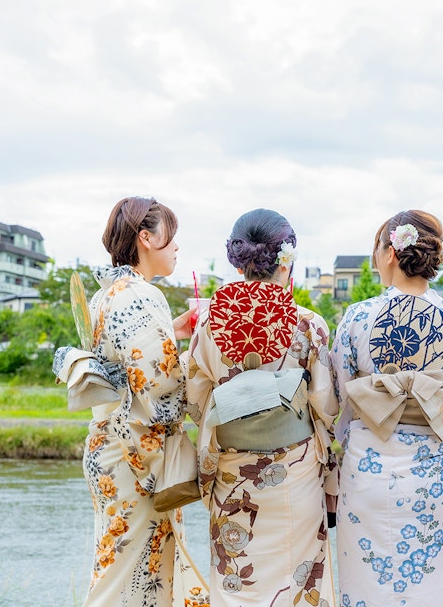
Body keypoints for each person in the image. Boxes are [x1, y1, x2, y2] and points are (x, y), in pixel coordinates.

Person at [54, 197, 208, 607]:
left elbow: (130, 362)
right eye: (170, 236)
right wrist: (202, 356)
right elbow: (161, 385)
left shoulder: (109, 294)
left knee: (120, 564)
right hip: (132, 454)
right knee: (130, 574)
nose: (176, 246)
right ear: (146, 237)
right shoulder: (141, 295)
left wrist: (172, 334)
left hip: (111, 445)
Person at [185, 208, 339, 606]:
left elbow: (196, 400)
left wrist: (236, 409)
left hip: (233, 473)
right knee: (299, 582)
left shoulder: (208, 324)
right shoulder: (308, 324)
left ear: (238, 259)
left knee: (237, 583)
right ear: (286, 258)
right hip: (296, 472)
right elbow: (326, 405)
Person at [330, 209, 443, 606]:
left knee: (368, 586)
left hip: (370, 470)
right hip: (434, 474)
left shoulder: (359, 317)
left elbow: (339, 397)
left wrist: (344, 437)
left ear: (390, 254)